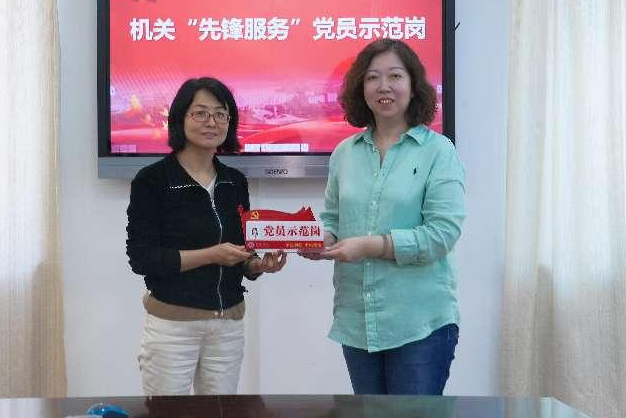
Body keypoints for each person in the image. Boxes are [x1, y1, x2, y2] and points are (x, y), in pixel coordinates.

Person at [303, 39, 466, 395]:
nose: (383, 86)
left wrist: (372, 246)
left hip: (419, 324)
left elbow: (442, 234)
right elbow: (332, 218)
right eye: (372, 77)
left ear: (413, 85)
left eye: (395, 76)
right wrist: (321, 241)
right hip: (358, 321)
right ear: (361, 88)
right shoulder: (345, 153)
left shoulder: (438, 151)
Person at [126, 77, 286, 395]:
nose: (211, 122)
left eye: (221, 114)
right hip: (172, 325)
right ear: (180, 118)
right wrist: (212, 255)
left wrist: (257, 265)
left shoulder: (235, 181)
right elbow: (142, 258)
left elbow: (242, 251)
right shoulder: (152, 180)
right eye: (200, 113)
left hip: (228, 323)